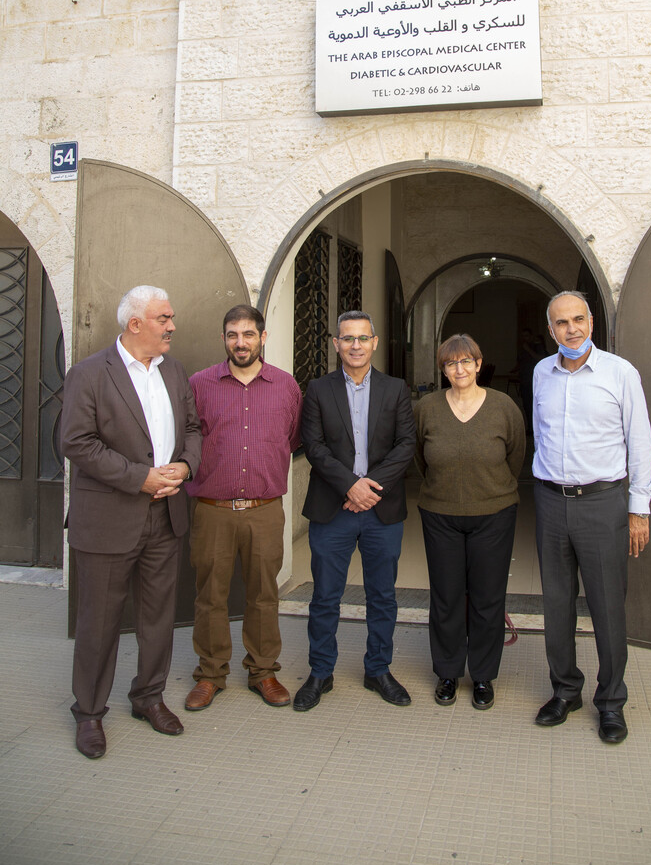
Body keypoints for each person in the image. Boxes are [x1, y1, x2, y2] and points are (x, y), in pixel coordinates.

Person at [61, 285, 202, 759]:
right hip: (108, 518)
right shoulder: (88, 373)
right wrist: (139, 478)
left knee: (158, 618)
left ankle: (148, 697)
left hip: (166, 515)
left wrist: (183, 467)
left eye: (171, 316)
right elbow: (77, 442)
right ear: (135, 323)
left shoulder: (175, 371)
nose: (172, 326)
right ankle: (89, 712)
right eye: (164, 318)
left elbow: (194, 429)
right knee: (98, 621)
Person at [531, 290, 651, 744]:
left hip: (603, 503)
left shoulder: (620, 374)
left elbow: (640, 444)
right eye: (562, 323)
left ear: (591, 322)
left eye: (579, 319)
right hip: (550, 501)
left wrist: (638, 508)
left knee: (606, 608)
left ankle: (611, 702)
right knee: (556, 604)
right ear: (551, 330)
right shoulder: (541, 373)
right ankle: (565, 691)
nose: (572, 329)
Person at [295, 310, 416, 711]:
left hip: (381, 508)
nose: (356, 346)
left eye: (363, 338)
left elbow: (405, 446)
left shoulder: (396, 388)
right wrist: (350, 485)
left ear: (375, 342)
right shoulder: (317, 389)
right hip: (334, 508)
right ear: (336, 344)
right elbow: (314, 446)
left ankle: (378, 669)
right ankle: (320, 672)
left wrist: (369, 488)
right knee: (326, 596)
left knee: (382, 595)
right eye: (347, 339)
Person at [183, 305, 302, 711]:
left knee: (263, 595)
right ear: (224, 339)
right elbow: (187, 438)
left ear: (262, 338)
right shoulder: (200, 384)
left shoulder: (286, 386)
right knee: (210, 596)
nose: (241, 342)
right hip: (212, 509)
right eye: (233, 334)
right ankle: (210, 674)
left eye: (248, 334)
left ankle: (263, 671)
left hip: (265, 510)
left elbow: (292, 436)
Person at [414, 334, 525, 710]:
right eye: (450, 363)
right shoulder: (426, 407)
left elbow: (516, 456)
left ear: (479, 364)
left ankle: (482, 676)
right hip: (440, 514)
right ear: (443, 368)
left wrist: (489, 490)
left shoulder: (504, 407)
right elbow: (420, 458)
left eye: (466, 362)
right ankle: (447, 671)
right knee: (445, 597)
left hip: (493, 515)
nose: (458, 370)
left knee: (487, 598)